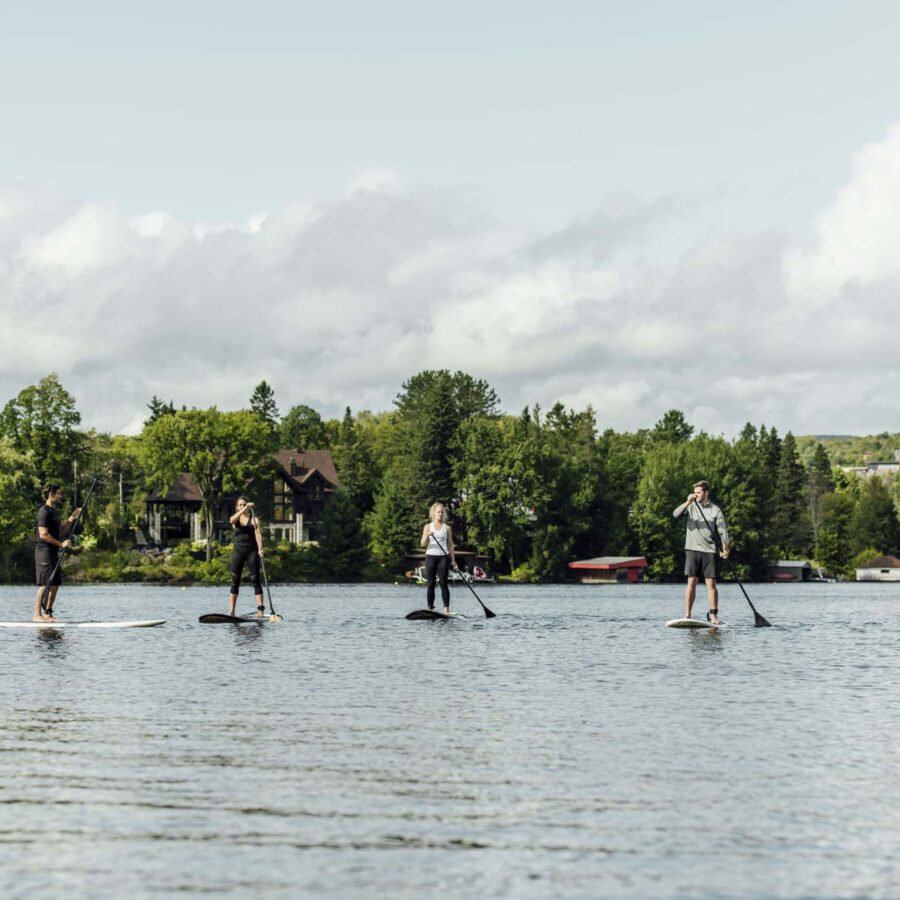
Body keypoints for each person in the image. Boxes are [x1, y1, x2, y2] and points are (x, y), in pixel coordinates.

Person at [672, 480, 730, 624]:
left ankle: (713, 615)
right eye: (694, 492)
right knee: (691, 581)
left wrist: (725, 548)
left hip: (709, 550)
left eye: (698, 492)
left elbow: (722, 530)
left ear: (706, 493)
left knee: (711, 583)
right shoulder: (691, 506)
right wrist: (688, 502)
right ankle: (687, 614)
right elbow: (675, 514)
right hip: (692, 549)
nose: (695, 495)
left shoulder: (715, 510)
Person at [34, 483, 83, 622]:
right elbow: (43, 534)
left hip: (53, 552)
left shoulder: (54, 512)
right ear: (51, 494)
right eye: (58, 493)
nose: (60, 496)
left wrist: (72, 517)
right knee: (44, 584)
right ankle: (37, 615)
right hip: (43, 552)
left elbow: (60, 531)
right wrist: (61, 544)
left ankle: (48, 613)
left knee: (55, 584)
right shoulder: (44, 512)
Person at [228, 497, 265, 617]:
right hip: (238, 552)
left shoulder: (254, 520)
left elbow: (258, 534)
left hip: (251, 552)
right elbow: (231, 520)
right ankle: (232, 611)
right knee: (235, 580)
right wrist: (244, 508)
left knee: (255, 579)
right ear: (237, 507)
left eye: (244, 504)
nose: (243, 506)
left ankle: (260, 609)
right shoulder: (235, 519)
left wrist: (260, 549)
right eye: (240, 505)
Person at [420, 502, 458, 614]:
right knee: (431, 584)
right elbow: (422, 543)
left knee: (443, 583)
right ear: (434, 513)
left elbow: (450, 545)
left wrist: (453, 561)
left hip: (443, 558)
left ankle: (446, 610)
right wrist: (427, 535)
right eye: (438, 512)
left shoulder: (447, 528)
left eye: (442, 512)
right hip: (430, 557)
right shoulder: (428, 527)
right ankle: (430, 608)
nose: (440, 514)